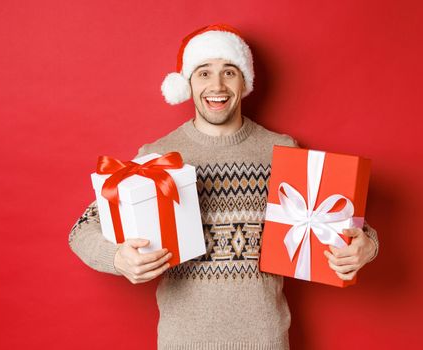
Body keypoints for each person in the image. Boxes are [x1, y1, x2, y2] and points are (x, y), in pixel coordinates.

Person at [68, 23, 379, 350]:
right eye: (204, 73)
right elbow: (82, 229)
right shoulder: (156, 158)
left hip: (265, 341)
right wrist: (118, 258)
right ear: (187, 83)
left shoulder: (281, 150)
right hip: (182, 343)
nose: (217, 85)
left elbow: (351, 227)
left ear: (245, 80)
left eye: (229, 72)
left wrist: (367, 246)